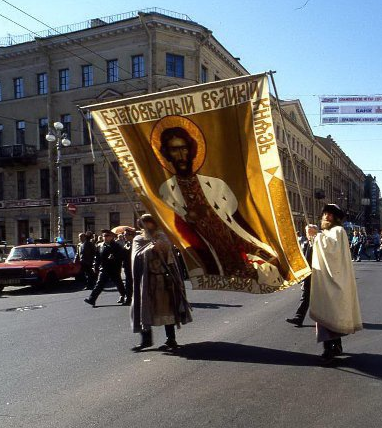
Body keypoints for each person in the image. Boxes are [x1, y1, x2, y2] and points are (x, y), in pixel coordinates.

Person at [153, 122, 281, 284]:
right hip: (207, 257)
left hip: (236, 254)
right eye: (174, 150)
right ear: (167, 154)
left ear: (191, 150)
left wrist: (261, 250)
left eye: (184, 148)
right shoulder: (167, 190)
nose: (181, 155)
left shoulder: (216, 185)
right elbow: (178, 228)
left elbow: (239, 225)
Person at [130, 214, 192, 351]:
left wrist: (162, 247)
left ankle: (171, 339)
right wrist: (149, 249)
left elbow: (171, 256)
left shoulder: (163, 237)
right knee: (143, 308)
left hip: (163, 279)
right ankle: (146, 340)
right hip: (146, 280)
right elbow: (136, 257)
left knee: (167, 309)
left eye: (148, 223)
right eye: (143, 223)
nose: (146, 226)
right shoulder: (138, 239)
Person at [309, 204, 362, 361]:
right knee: (328, 314)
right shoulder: (327, 232)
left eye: (330, 215)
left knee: (329, 313)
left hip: (334, 280)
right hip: (324, 279)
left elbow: (331, 251)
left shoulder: (338, 231)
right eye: (325, 214)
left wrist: (316, 236)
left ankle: (329, 350)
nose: (326, 216)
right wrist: (315, 237)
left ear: (336, 218)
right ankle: (336, 345)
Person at [84, 229, 128, 307]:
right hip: (104, 269)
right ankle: (92, 299)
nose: (105, 237)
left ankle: (125, 296)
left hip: (114, 268)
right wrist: (96, 267)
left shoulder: (117, 246)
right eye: (104, 236)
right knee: (99, 284)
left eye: (107, 236)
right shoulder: (100, 245)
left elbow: (122, 256)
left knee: (119, 284)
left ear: (111, 237)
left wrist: (114, 257)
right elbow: (97, 257)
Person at [287, 224, 318, 327]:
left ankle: (332, 318)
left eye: (310, 232)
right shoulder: (305, 243)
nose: (307, 234)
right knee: (305, 296)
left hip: (318, 275)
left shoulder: (319, 244)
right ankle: (298, 318)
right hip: (308, 275)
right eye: (307, 232)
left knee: (321, 298)